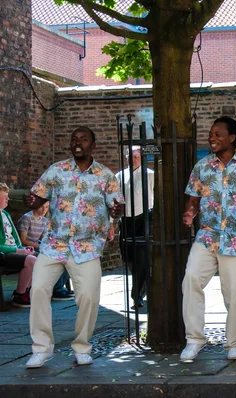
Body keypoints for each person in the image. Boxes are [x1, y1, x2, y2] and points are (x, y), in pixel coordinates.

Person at [23, 126, 124, 369]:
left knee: (88, 297)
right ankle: (41, 349)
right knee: (37, 290)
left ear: (93, 146)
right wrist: (33, 200)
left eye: (83, 139)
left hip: (87, 246)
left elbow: (116, 207)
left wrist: (116, 212)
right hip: (53, 244)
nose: (78, 143)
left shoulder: (105, 176)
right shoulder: (56, 170)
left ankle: (81, 346)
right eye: (74, 139)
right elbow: (38, 196)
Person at [179, 116, 236, 362]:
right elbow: (193, 200)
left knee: (235, 294)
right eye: (211, 134)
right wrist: (190, 213)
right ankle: (194, 340)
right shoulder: (202, 167)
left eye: (218, 134)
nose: (212, 138)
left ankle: (234, 344)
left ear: (232, 138)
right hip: (208, 236)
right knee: (192, 280)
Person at [115, 145, 154, 309]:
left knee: (143, 258)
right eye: (130, 156)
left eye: (136, 156)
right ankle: (142, 289)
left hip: (144, 217)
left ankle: (136, 294)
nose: (133, 159)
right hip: (126, 220)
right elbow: (115, 200)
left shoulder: (150, 175)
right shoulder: (119, 176)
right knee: (128, 258)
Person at [16, 202, 73, 302]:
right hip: (27, 248)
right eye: (41, 206)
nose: (44, 210)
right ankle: (57, 290)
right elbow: (23, 240)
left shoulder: (44, 220)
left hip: (38, 246)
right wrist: (41, 246)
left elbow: (43, 238)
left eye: (46, 207)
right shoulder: (27, 218)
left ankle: (60, 287)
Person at [0, 183, 37, 308]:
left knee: (43, 257)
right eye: (4, 196)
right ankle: (19, 295)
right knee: (31, 260)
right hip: (3, 254)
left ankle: (28, 291)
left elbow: (15, 238)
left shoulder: (6, 215)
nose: (8, 199)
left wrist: (23, 249)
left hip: (14, 250)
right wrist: (17, 250)